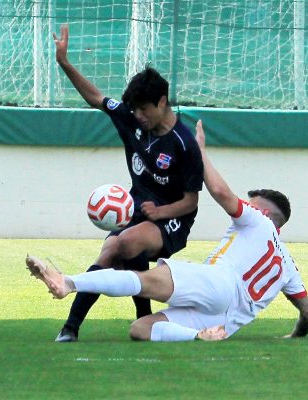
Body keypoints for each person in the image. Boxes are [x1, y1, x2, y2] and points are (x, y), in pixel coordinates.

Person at [25, 120, 308, 342]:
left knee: (143, 279)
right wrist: (294, 337)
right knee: (139, 330)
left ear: (264, 213)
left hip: (219, 283)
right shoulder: (288, 266)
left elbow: (218, 190)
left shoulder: (259, 221)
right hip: (223, 322)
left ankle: (68, 284)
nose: (246, 207)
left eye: (251, 204)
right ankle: (199, 336)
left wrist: (198, 152)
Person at [50, 24, 204, 342]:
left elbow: (191, 201)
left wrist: (159, 213)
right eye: (134, 109)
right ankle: (71, 327)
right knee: (110, 251)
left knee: (126, 243)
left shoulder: (184, 143)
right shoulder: (132, 120)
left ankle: (140, 315)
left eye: (144, 109)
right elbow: (95, 97)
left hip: (173, 219)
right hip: (139, 212)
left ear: (162, 102)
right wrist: (64, 63)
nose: (139, 116)